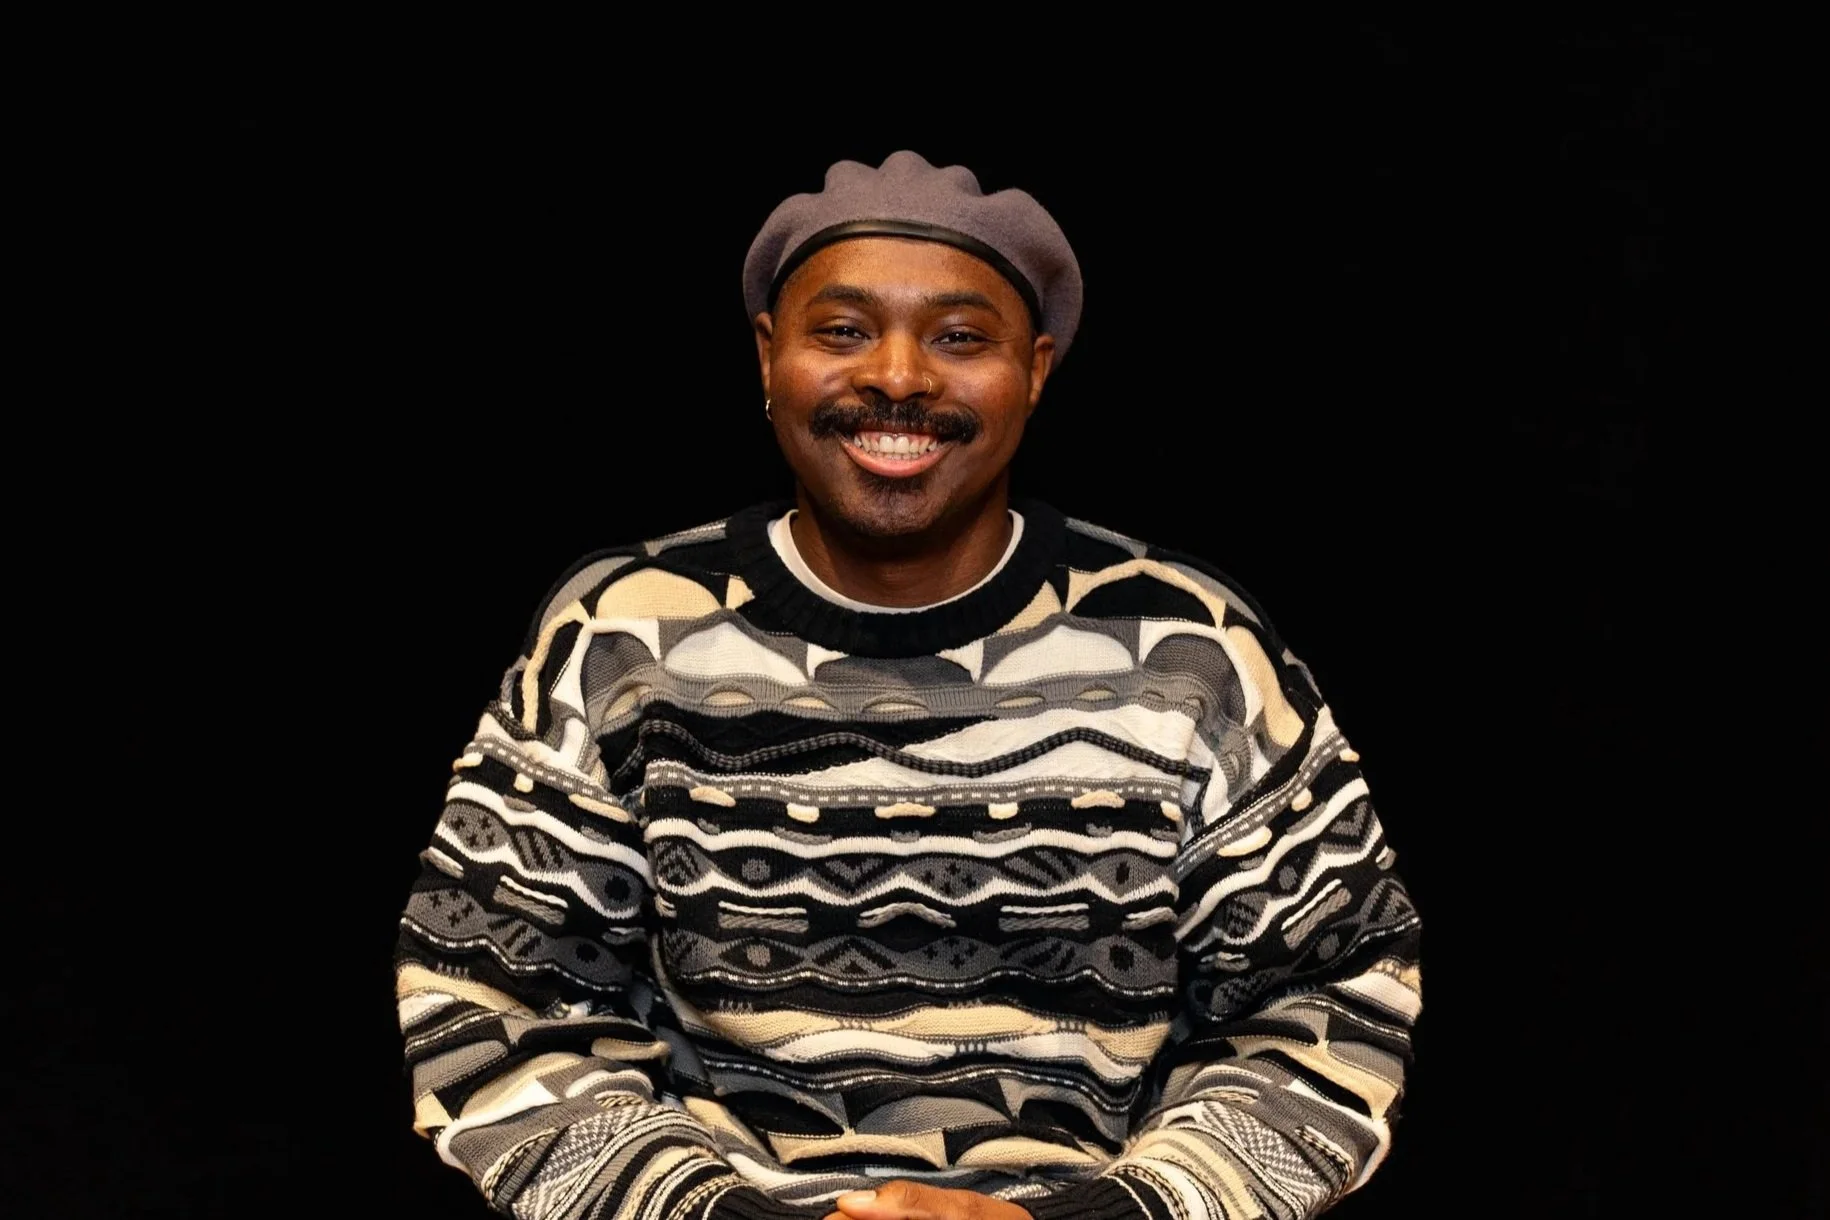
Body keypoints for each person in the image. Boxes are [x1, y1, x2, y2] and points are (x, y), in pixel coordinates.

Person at [392, 150, 1423, 1220]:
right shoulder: (622, 638)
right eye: (843, 330)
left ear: (1035, 368)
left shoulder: (1188, 652)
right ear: (768, 355)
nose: (896, 377)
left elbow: (1333, 995)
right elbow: (486, 992)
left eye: (959, 338)